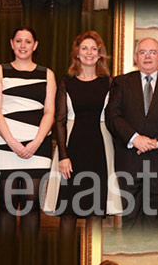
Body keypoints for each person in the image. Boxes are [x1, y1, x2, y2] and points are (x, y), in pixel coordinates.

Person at [105, 37, 158, 231]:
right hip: (129, 161)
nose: (148, 56)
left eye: (153, 52)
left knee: (156, 222)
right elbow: (112, 116)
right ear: (136, 57)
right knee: (131, 221)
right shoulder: (121, 82)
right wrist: (135, 139)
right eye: (143, 52)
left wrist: (157, 141)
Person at [0, 27, 56, 237]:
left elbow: (50, 111)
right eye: (19, 41)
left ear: (35, 46)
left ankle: (29, 255)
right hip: (5, 145)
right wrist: (12, 143)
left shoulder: (47, 74)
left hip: (38, 146)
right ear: (11, 43)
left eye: (28, 41)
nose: (23, 46)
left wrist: (36, 143)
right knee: (7, 206)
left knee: (31, 205)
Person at [47, 31, 112, 229]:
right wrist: (63, 156)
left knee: (95, 213)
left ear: (100, 54)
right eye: (84, 48)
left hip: (100, 150)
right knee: (68, 212)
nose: (89, 52)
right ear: (77, 53)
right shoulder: (67, 81)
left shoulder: (109, 83)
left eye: (94, 48)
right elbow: (59, 120)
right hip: (72, 151)